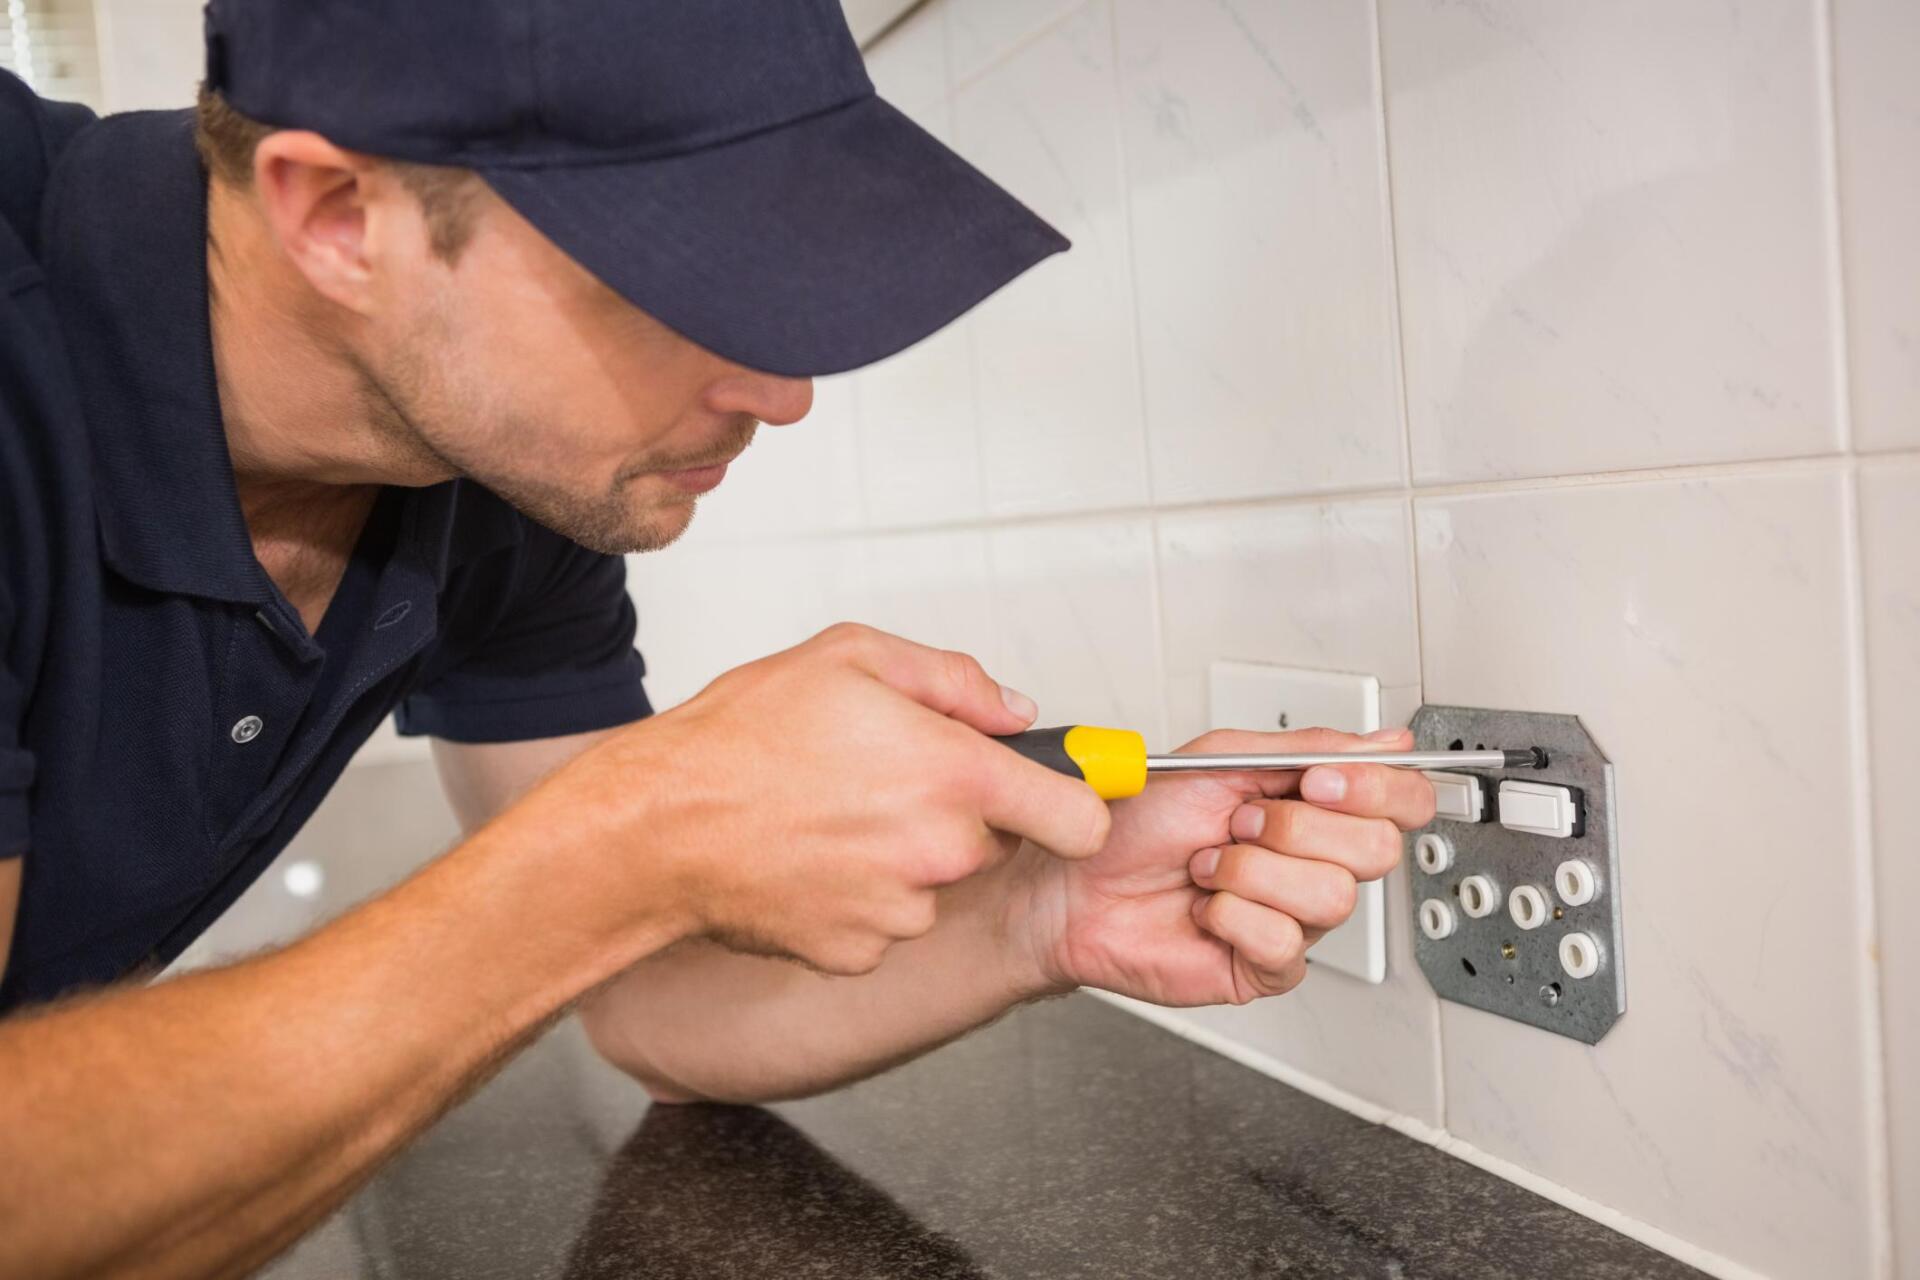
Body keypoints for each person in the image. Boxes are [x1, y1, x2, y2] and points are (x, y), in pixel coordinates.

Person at [0, 0, 1435, 1275]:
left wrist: (1038, 914)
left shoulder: (502, 466)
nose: (783, 389)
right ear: (335, 214)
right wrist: (628, 844)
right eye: (674, 281)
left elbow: (642, 1002)